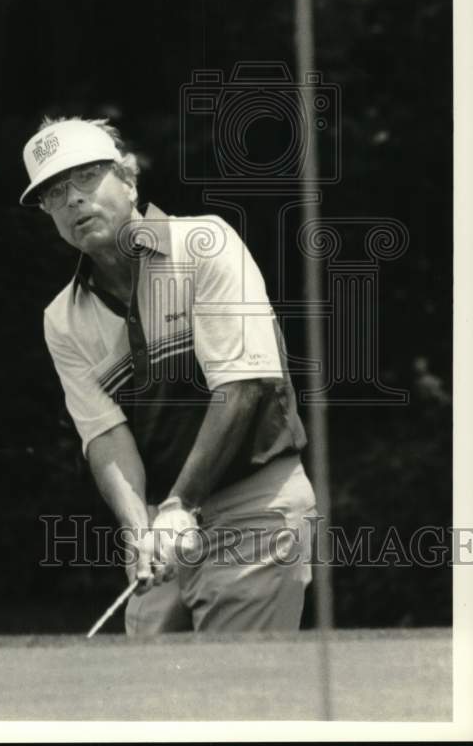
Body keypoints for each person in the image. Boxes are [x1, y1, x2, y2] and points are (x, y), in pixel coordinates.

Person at [20, 115, 317, 635]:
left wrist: (182, 505)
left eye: (87, 177)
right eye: (53, 192)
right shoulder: (61, 319)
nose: (71, 200)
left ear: (129, 180)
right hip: (161, 523)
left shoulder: (206, 243)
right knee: (151, 700)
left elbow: (241, 387)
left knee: (233, 702)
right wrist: (141, 531)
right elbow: (105, 436)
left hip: (254, 506)